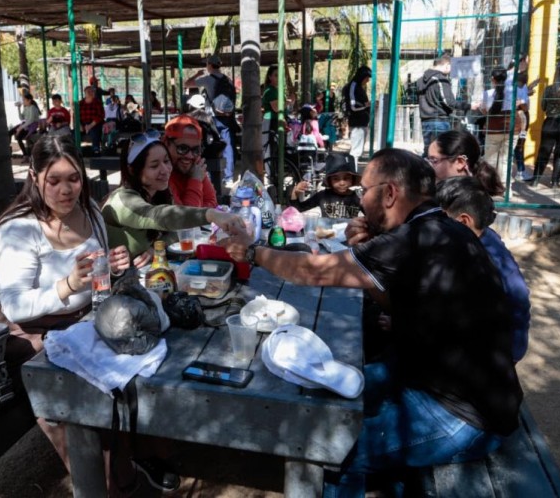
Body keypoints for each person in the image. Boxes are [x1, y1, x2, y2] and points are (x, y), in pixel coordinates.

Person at [221, 148, 522, 490]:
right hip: (438, 381)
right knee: (325, 395)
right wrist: (371, 260)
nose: (361, 200)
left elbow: (311, 271)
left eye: (365, 190)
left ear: (390, 193)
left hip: (464, 414)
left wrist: (251, 251)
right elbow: (402, 300)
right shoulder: (443, 229)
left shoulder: (415, 238)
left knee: (331, 449)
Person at [0, 135, 132, 472]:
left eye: (74, 178)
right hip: (21, 333)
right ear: (34, 177)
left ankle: (129, 462)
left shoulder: (90, 211)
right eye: (54, 180)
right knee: (72, 394)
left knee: (129, 369)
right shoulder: (17, 229)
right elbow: (15, 307)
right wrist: (68, 284)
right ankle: (100, 478)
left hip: (76, 321)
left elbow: (98, 284)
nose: (66, 190)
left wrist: (111, 266)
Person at [101, 129, 243, 261]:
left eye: (166, 161)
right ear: (133, 170)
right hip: (116, 280)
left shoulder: (159, 193)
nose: (165, 170)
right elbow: (159, 216)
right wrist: (212, 215)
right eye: (154, 165)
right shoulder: (122, 201)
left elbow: (178, 229)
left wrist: (155, 248)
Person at [436, 176, 530, 363]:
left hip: (491, 354)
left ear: (464, 222)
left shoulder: (481, 266)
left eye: (438, 220)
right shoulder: (483, 235)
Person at [531, 60, 560, 188]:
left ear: (557, 72)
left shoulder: (550, 89)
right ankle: (555, 182)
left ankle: (536, 179)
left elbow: (543, 106)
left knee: (544, 152)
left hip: (551, 122)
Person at [475, 66, 522, 182]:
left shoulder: (487, 94)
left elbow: (485, 111)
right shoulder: (514, 92)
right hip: (511, 129)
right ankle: (506, 189)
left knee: (490, 160)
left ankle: (489, 187)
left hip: (493, 130)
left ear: (492, 79)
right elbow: (520, 106)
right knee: (505, 160)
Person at [427, 129, 505, 196]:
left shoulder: (467, 202)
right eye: (428, 160)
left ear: (460, 162)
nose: (429, 166)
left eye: (434, 160)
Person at [162, 115, 218, 208]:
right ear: (167, 144)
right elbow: (187, 216)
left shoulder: (196, 163)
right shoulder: (161, 169)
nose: (189, 156)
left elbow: (212, 203)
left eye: (196, 149)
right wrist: (195, 179)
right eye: (182, 148)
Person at [289, 151, 361, 218]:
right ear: (329, 180)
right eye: (336, 179)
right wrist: (295, 193)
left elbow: (371, 217)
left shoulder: (357, 198)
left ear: (353, 179)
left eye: (346, 178)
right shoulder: (322, 196)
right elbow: (297, 209)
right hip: (327, 231)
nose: (342, 183)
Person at [417, 53, 455, 155]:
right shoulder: (441, 79)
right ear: (447, 65)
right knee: (443, 152)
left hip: (425, 120)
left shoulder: (420, 81)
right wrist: (467, 106)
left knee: (429, 151)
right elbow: (449, 102)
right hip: (440, 120)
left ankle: (425, 169)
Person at [341, 66, 372, 169]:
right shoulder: (353, 86)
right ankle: (352, 172)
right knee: (356, 150)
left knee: (358, 150)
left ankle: (353, 171)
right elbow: (353, 106)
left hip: (361, 122)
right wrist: (366, 105)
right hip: (357, 122)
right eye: (367, 77)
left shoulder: (357, 86)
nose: (367, 80)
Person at [212, 94, 239, 185]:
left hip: (212, 117)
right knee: (228, 148)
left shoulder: (208, 81)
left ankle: (212, 175)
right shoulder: (226, 85)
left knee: (211, 147)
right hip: (225, 119)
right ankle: (228, 177)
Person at [9, 92, 42, 161]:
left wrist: (21, 128)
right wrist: (18, 108)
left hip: (31, 127)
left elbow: (31, 120)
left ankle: (25, 154)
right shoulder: (26, 108)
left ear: (29, 100)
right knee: (10, 133)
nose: (23, 101)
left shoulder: (33, 108)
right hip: (26, 125)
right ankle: (10, 150)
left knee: (18, 136)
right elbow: (21, 118)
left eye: (24, 100)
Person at [78, 85, 104, 155]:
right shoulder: (80, 103)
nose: (90, 93)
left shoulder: (97, 102)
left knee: (95, 132)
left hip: (94, 123)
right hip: (82, 123)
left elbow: (100, 115)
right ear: (85, 93)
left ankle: (96, 149)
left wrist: (90, 125)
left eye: (92, 91)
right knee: (74, 133)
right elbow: (76, 116)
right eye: (88, 91)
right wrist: (80, 125)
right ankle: (76, 150)